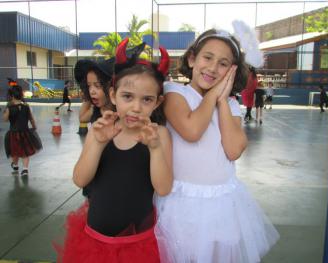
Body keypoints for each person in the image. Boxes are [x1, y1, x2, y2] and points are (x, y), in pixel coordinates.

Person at [154, 28, 279, 263]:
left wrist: (222, 100)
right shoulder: (174, 93)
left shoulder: (229, 105)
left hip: (221, 203)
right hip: (181, 203)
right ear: (192, 59)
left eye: (223, 64)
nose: (212, 68)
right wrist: (213, 95)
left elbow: (233, 149)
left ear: (232, 71)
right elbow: (191, 131)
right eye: (207, 58)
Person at [55, 38, 173, 263]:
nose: (136, 107)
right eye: (127, 96)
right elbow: (80, 179)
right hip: (93, 241)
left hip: (139, 243)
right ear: (113, 95)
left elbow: (164, 188)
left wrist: (155, 149)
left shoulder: (160, 135)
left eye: (146, 99)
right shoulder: (100, 130)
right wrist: (98, 144)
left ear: (157, 103)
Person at [3, 85, 42, 176]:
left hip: (13, 134)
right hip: (25, 133)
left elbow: (5, 119)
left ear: (12, 96)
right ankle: (25, 169)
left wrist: (7, 110)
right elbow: (31, 119)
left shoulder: (10, 107)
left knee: (14, 151)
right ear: (21, 95)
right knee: (25, 152)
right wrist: (34, 126)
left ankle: (15, 165)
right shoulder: (26, 106)